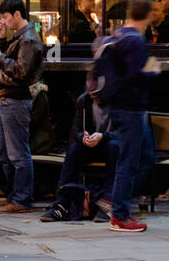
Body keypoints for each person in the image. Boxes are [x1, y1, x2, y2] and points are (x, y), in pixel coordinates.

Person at [101, 0, 160, 232]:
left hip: (119, 106)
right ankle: (119, 214)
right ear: (147, 15)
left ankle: (113, 200)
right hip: (131, 108)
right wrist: (152, 72)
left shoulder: (119, 36)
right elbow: (133, 77)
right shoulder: (135, 40)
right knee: (129, 162)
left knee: (143, 157)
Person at [0, 0, 44, 212]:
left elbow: (21, 72)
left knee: (18, 154)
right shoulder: (20, 37)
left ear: (17, 15)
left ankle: (22, 200)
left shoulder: (29, 39)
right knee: (4, 153)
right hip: (7, 100)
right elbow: (12, 61)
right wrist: (0, 40)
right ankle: (13, 195)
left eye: (6, 17)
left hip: (16, 100)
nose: (4, 21)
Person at [39, 67, 117, 223]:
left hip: (112, 144)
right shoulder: (84, 100)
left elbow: (125, 133)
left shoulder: (119, 101)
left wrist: (103, 136)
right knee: (74, 148)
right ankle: (62, 203)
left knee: (113, 146)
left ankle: (108, 203)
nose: (95, 97)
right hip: (93, 144)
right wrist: (83, 137)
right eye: (92, 93)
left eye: (98, 93)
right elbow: (77, 129)